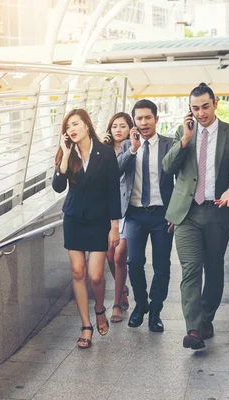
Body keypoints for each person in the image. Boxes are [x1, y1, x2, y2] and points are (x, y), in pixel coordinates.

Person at [162, 83, 229, 350]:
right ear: (189, 109)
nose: (200, 113)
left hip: (217, 211)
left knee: (213, 269)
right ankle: (193, 329)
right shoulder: (183, 132)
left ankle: (206, 319)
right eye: (195, 108)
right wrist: (185, 140)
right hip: (187, 213)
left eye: (205, 107)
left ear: (215, 104)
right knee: (190, 269)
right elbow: (168, 167)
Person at [52, 108, 121, 349]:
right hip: (73, 218)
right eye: (68, 126)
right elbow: (58, 187)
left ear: (86, 125)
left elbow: (113, 190)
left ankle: (99, 308)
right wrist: (65, 154)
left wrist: (115, 227)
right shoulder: (67, 154)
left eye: (75, 123)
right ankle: (86, 325)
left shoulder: (105, 152)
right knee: (78, 272)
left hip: (99, 220)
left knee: (96, 275)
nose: (71, 129)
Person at [116, 100, 175, 333]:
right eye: (139, 119)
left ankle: (156, 311)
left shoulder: (170, 144)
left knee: (162, 265)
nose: (144, 123)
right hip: (135, 214)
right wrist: (132, 148)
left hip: (162, 214)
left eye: (148, 118)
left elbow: (180, 178)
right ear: (134, 122)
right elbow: (116, 171)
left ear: (156, 119)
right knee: (134, 262)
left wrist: (176, 213)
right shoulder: (126, 146)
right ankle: (141, 305)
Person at [102, 112, 133, 323]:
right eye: (114, 126)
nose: (118, 130)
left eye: (123, 126)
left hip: (127, 209)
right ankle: (122, 289)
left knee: (119, 254)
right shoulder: (102, 150)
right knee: (108, 255)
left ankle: (115, 304)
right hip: (105, 208)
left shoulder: (135, 147)